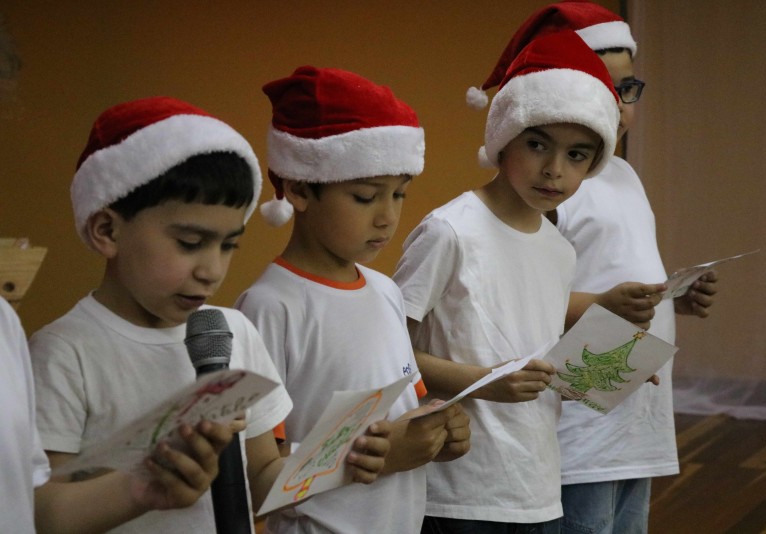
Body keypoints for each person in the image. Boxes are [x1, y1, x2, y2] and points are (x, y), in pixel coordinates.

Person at [28, 96, 390, 533]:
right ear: (107, 230)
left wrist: (338, 458)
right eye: (190, 243)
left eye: (228, 245)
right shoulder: (64, 352)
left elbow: (261, 480)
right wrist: (142, 484)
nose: (212, 270)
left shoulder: (232, 332)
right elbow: (41, 512)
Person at [489, 2, 718, 532]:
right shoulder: (549, 186)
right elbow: (518, 296)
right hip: (579, 423)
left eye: (626, 88)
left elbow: (611, 272)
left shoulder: (623, 175)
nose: (616, 103)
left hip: (635, 420)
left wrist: (672, 299)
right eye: (600, 85)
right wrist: (602, 305)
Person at [393, 30, 620, 533]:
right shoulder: (449, 231)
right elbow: (388, 354)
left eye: (577, 155)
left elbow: (536, 351)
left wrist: (605, 368)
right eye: (537, 145)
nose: (554, 170)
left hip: (536, 487)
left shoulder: (559, 248)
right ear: (503, 138)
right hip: (457, 495)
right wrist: (485, 381)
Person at [235, 65, 471, 533]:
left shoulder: (385, 291)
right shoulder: (267, 308)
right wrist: (376, 457)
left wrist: (437, 433)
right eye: (365, 197)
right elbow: (258, 481)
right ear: (299, 187)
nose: (387, 217)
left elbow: (406, 416)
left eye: (399, 195)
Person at [1, 294, 234, 534]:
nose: (209, 275)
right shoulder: (61, 346)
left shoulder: (4, 321)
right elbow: (40, 516)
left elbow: (24, 509)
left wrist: (144, 482)